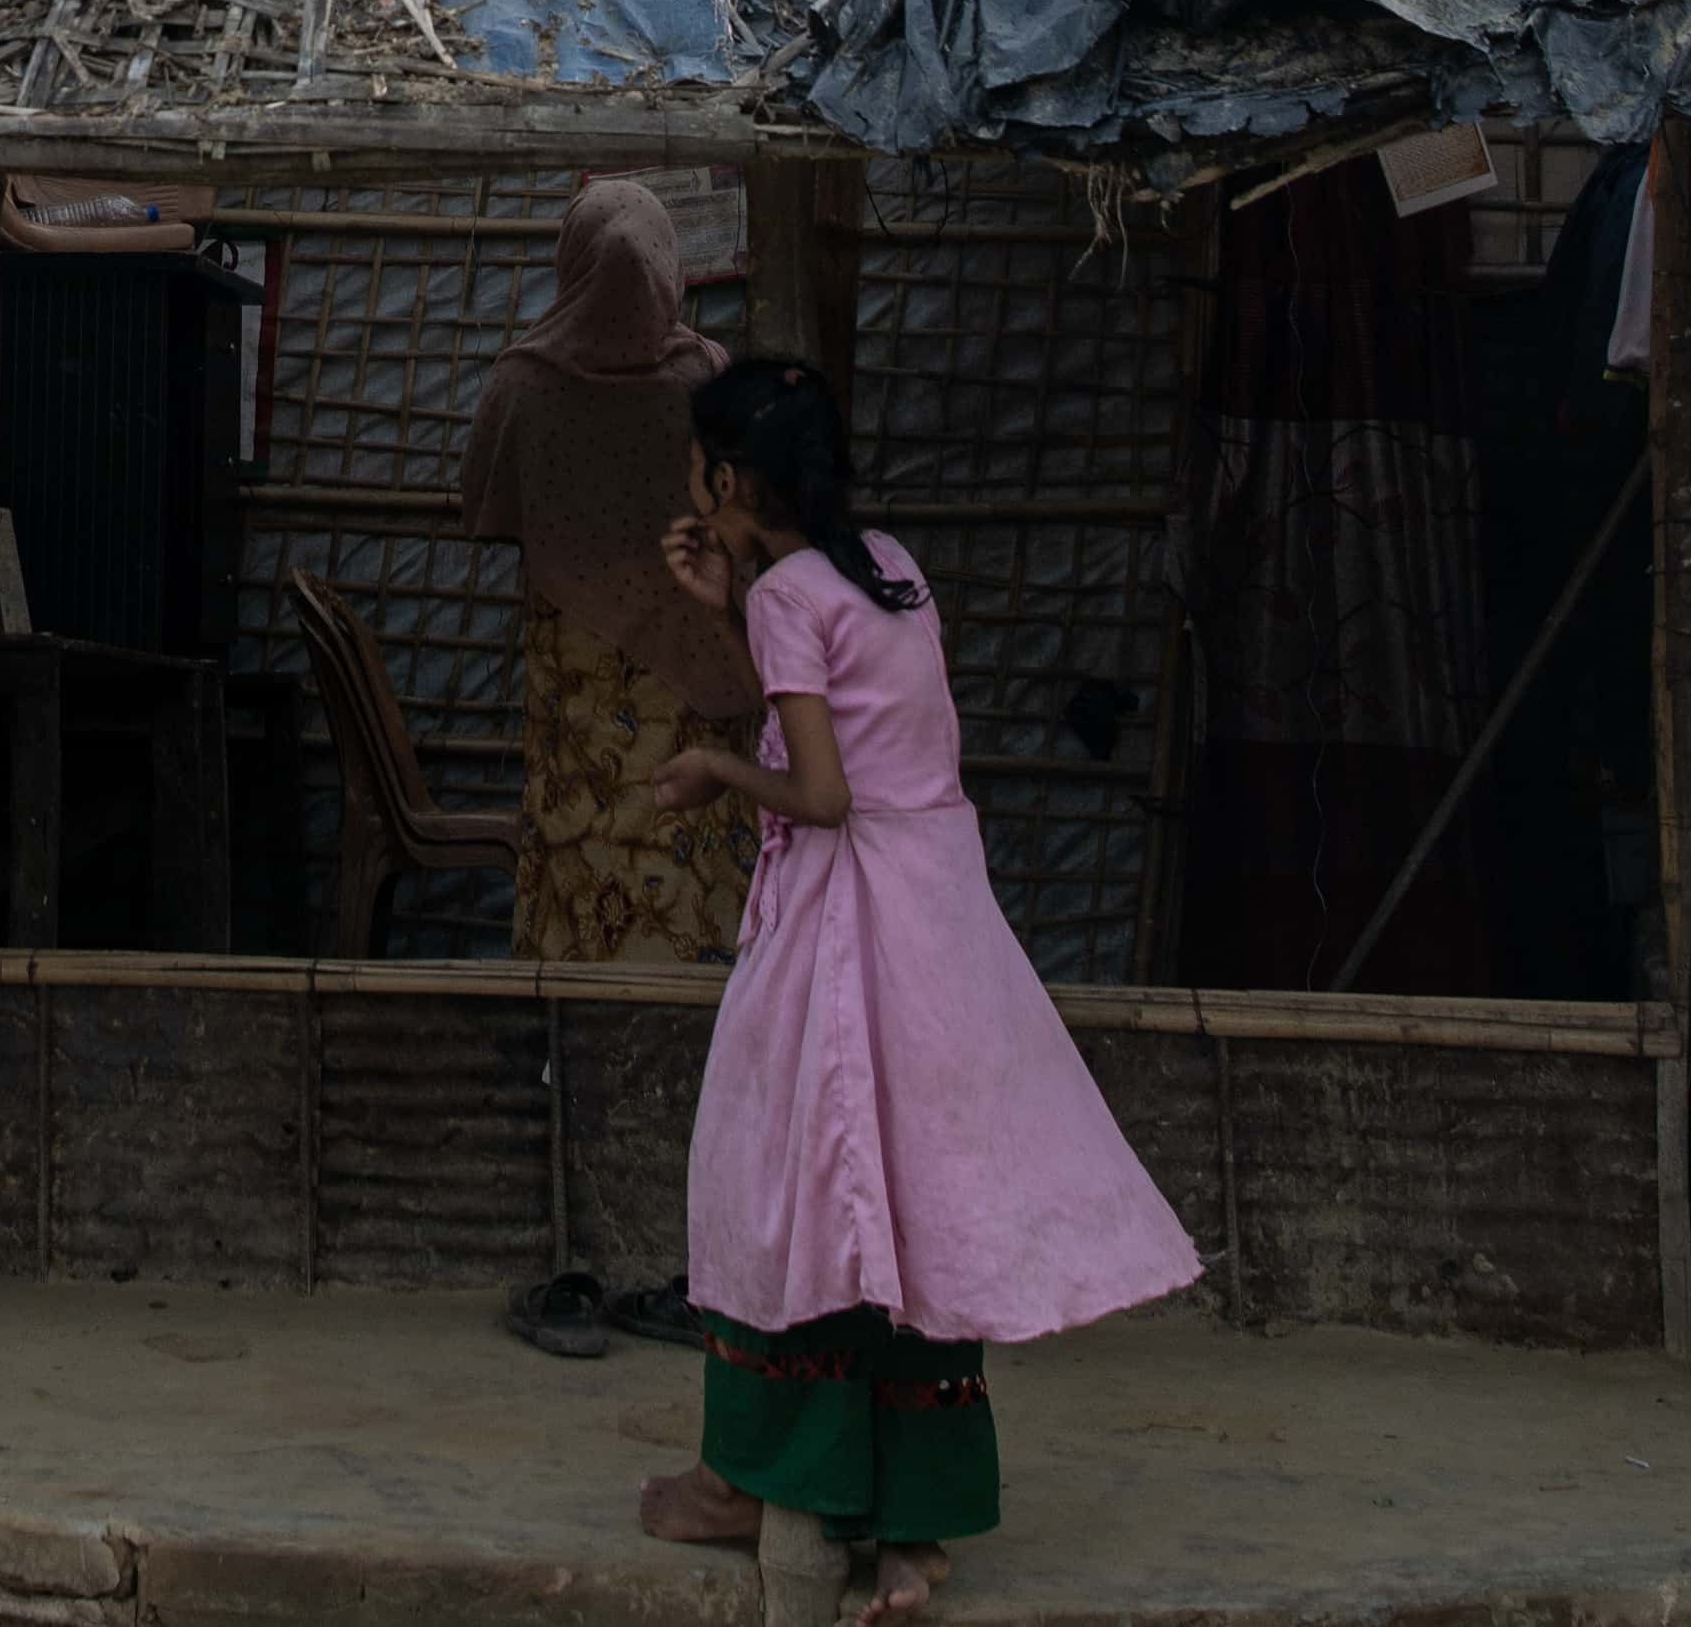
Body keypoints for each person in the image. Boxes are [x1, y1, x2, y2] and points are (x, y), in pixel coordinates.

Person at [637, 360, 1198, 1620]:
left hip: (848, 921)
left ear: (727, 481)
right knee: (917, 1199)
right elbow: (852, 717)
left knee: (786, 1185)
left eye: (699, 470)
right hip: (938, 918)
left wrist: (718, 763)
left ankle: (767, 1474)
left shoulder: (788, 591)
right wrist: (730, 601)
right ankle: (916, 1528)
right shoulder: (883, 561)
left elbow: (823, 790)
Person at [457, 177, 761, 970]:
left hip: (579, 691)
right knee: (694, 856)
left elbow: (488, 509)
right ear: (668, 266)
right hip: (693, 676)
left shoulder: (519, 387)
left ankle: (572, 1042)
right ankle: (708, 1057)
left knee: (579, 848)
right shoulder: (708, 382)